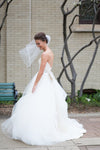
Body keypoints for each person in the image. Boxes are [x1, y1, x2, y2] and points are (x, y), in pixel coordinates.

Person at [1, 32, 86, 146]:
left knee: (38, 103)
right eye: (36, 44)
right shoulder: (50, 52)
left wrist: (35, 84)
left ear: (44, 41)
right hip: (48, 79)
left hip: (43, 79)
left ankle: (39, 129)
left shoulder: (44, 54)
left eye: (38, 43)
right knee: (48, 104)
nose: (37, 46)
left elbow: (41, 71)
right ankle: (49, 127)